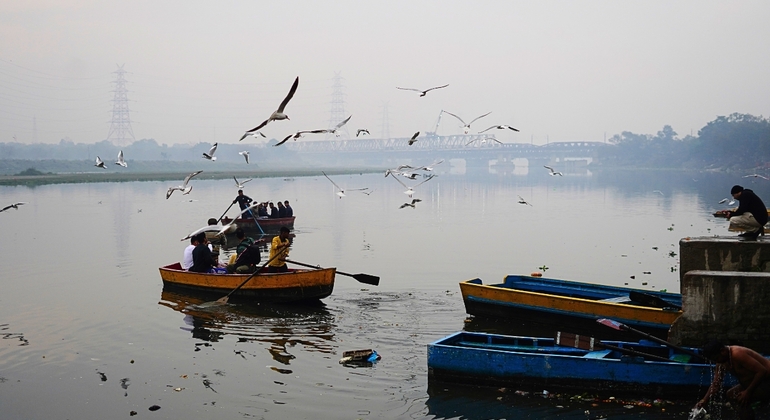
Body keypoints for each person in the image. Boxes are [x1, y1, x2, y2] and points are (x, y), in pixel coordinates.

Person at [696, 340, 770, 419]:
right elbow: (716, 384)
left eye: (717, 358)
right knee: (732, 395)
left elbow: (762, 371)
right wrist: (704, 401)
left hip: (766, 380)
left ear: (723, 351)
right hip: (753, 383)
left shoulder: (737, 354)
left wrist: (748, 392)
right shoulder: (721, 362)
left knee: (738, 397)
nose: (717, 361)